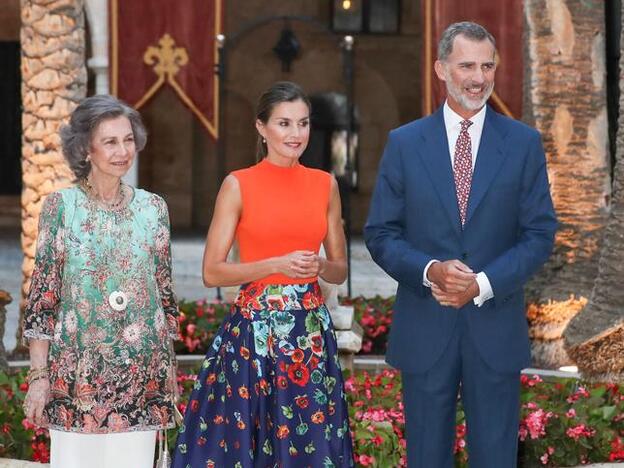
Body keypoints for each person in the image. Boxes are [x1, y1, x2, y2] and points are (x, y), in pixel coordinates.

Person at [364, 22, 557, 467]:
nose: (478, 77)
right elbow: (381, 233)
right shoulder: (405, 143)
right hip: (425, 327)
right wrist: (431, 270)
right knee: (427, 457)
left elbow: (539, 234)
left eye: (487, 65)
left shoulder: (524, 143)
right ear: (441, 69)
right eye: (467, 65)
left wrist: (483, 283)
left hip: (496, 328)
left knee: (495, 456)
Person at [172, 81, 353, 467]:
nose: (296, 134)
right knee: (244, 442)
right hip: (252, 336)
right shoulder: (238, 185)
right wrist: (275, 265)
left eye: (303, 124)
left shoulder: (325, 184)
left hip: (309, 337)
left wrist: (320, 266)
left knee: (308, 443)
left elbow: (339, 271)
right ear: (261, 127)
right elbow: (212, 272)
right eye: (284, 123)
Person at [22, 95, 179, 468]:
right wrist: (40, 375)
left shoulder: (153, 208)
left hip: (142, 381)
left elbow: (166, 297)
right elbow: (43, 299)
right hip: (78, 382)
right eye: (110, 142)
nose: (123, 151)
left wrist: (168, 370)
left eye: (128, 139)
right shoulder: (61, 207)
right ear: (85, 149)